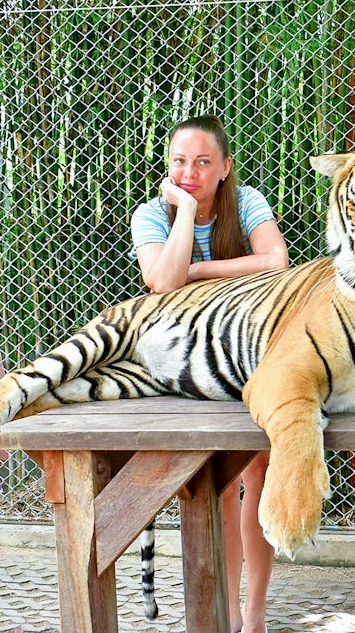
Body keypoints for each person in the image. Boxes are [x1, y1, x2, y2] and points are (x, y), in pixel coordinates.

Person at [130, 115, 289, 633]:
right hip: (190, 369)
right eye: (179, 162)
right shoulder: (151, 214)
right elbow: (160, 283)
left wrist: (197, 271)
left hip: (252, 356)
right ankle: (223, 611)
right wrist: (186, 215)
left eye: (202, 162)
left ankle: (257, 615)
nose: (190, 171)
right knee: (217, 484)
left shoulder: (247, 202)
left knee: (260, 474)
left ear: (224, 167)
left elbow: (276, 261)